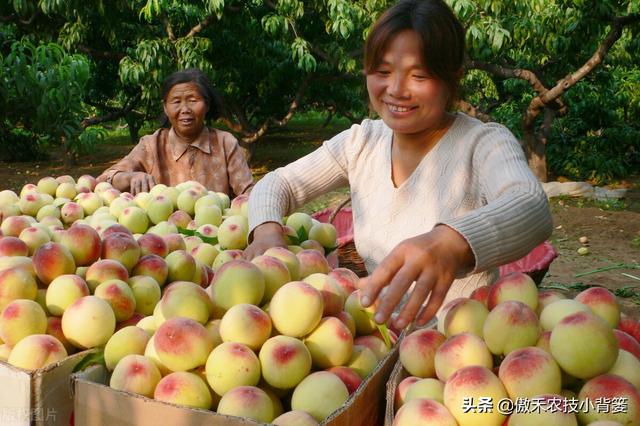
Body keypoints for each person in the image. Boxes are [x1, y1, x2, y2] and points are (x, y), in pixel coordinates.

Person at [244, 0, 553, 330]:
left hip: (460, 348)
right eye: (382, 72)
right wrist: (266, 232)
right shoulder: (361, 143)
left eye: (419, 75)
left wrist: (449, 243)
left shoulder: (483, 144)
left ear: (453, 79)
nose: (395, 90)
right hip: (380, 338)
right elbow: (280, 183)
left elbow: (531, 206)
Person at [97, 68, 254, 197]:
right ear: (165, 107)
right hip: (162, 233)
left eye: (192, 100)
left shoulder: (225, 143)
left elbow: (248, 193)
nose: (185, 110)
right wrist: (129, 177)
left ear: (207, 105)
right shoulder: (151, 145)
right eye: (176, 101)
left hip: (217, 232)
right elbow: (104, 180)